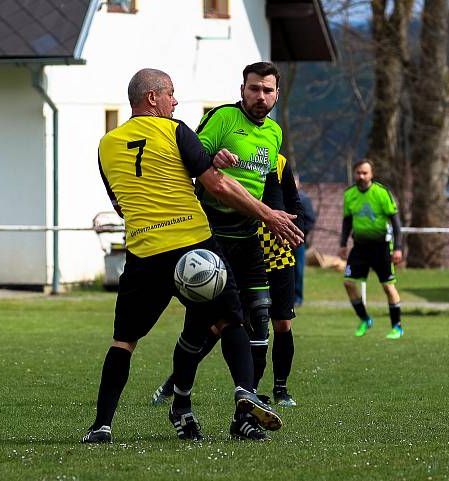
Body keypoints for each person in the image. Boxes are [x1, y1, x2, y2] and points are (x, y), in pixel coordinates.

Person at [82, 68, 302, 444]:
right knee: (232, 320)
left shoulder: (106, 144)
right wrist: (269, 214)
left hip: (144, 252)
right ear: (153, 98)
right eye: (171, 94)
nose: (175, 101)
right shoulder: (176, 129)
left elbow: (119, 205)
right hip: (194, 244)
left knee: (124, 341)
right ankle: (243, 393)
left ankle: (102, 426)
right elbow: (214, 184)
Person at [152, 154, 305, 408]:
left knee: (282, 323)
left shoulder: (279, 163)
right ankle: (174, 382)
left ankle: (280, 389)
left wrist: (293, 230)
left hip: (278, 257)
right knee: (218, 327)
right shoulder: (237, 165)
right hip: (244, 254)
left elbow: (294, 203)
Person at [338, 159, 404, 339]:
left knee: (388, 287)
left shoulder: (382, 193)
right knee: (348, 282)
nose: (361, 176)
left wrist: (398, 248)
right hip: (359, 247)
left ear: (371, 174)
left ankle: (396, 327)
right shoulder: (349, 194)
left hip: (381, 247)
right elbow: (347, 221)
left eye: (365, 173)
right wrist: (343, 244)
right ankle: (365, 319)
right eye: (358, 172)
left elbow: (396, 223)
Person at [294, 179, 316, 305]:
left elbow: (310, 219)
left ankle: (298, 298)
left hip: (298, 241)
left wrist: (301, 234)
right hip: (281, 240)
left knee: (298, 269)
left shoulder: (303, 198)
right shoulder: (280, 197)